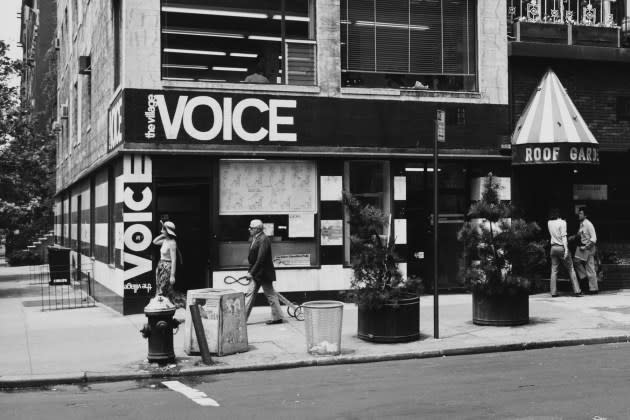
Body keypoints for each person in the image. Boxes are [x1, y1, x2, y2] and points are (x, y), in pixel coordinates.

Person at [246, 219, 285, 324]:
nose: (249, 229)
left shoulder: (264, 239)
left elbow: (261, 259)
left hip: (262, 273)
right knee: (255, 295)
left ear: (257, 229)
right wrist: (251, 271)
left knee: (268, 295)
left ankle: (277, 317)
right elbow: (254, 258)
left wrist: (251, 273)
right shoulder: (256, 238)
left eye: (251, 228)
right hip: (258, 272)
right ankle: (278, 317)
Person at [547, 208, 582, 297]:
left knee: (554, 271)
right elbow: (564, 237)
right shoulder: (562, 223)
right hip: (561, 247)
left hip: (553, 248)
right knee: (571, 268)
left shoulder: (549, 223)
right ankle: (577, 290)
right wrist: (566, 250)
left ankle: (553, 292)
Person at [152, 221, 186, 308]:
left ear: (167, 231)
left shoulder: (172, 242)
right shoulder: (165, 241)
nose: (161, 231)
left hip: (167, 266)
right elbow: (154, 241)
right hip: (161, 265)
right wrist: (163, 234)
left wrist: (172, 275)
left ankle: (168, 307)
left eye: (163, 229)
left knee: (164, 289)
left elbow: (174, 259)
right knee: (159, 287)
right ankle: (162, 307)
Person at [573, 208, 599, 294]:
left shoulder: (588, 224)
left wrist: (586, 247)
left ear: (585, 215)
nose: (579, 215)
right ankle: (585, 279)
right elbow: (580, 235)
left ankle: (593, 289)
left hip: (588, 247)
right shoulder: (582, 224)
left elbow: (594, 239)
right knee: (576, 262)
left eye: (581, 213)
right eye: (579, 213)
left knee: (590, 267)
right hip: (583, 247)